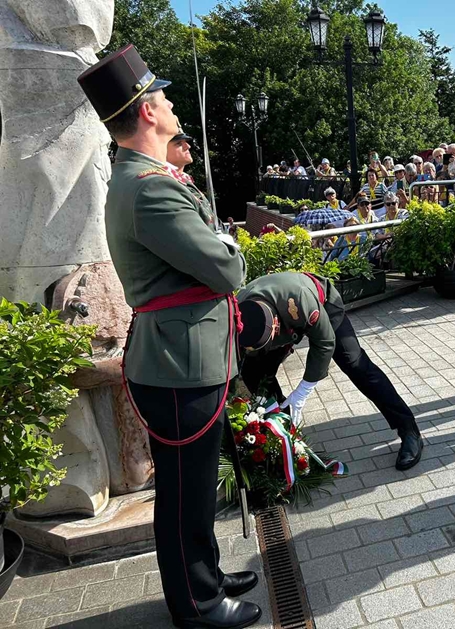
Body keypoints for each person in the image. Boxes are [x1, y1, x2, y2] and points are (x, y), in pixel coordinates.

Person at [77, 45, 260, 629]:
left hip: (185, 357)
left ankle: (204, 573)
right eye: (164, 94)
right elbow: (228, 269)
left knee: (196, 487)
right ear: (148, 112)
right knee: (183, 496)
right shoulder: (151, 188)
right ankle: (197, 604)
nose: (174, 101)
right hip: (179, 364)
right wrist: (227, 247)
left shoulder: (148, 179)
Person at [237, 272, 423, 471]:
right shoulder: (237, 313)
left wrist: (303, 391)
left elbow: (325, 343)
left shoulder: (299, 300)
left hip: (321, 304)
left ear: (275, 324)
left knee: (356, 364)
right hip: (274, 323)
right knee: (253, 372)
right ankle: (282, 437)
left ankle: (408, 430)